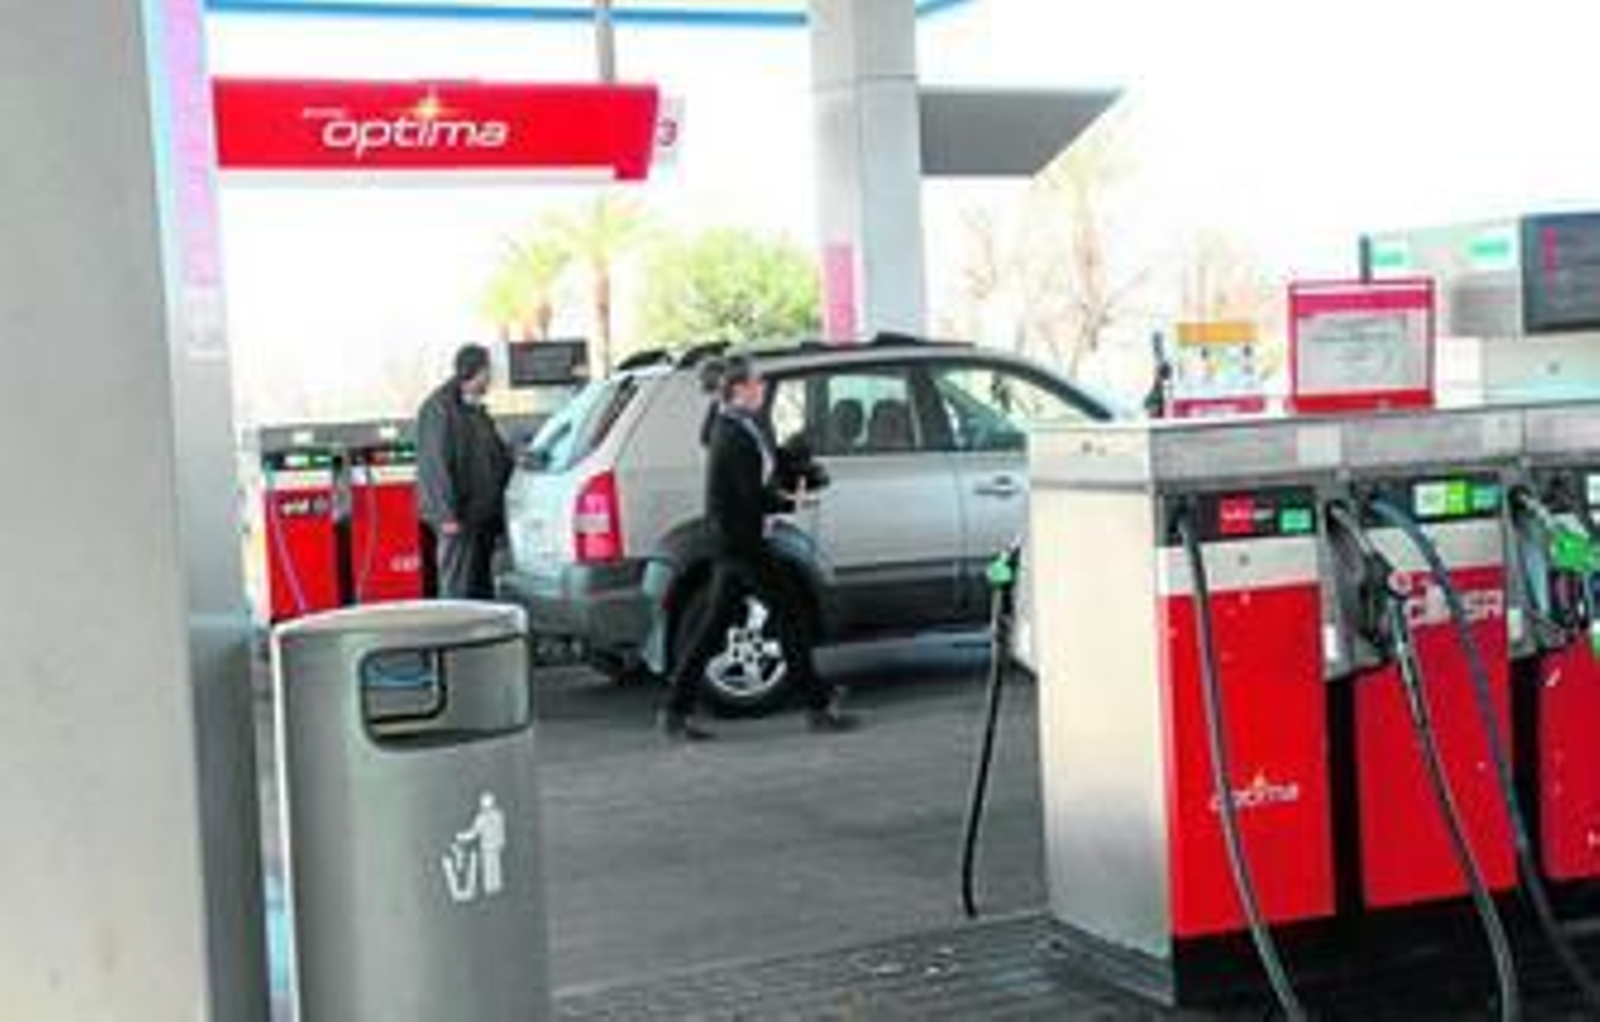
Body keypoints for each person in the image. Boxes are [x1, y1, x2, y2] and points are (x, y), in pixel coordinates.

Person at [661, 355, 857, 740]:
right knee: (791, 618)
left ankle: (674, 712)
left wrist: (795, 474)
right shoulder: (731, 435)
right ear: (739, 390)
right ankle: (818, 706)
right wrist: (792, 504)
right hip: (743, 544)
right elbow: (748, 496)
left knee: (713, 628)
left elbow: (764, 469)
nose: (763, 388)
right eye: (757, 383)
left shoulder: (740, 425)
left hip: (737, 544)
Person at [417, 344, 512, 600]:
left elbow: (495, 454)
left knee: (480, 586)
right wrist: (446, 515)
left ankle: (480, 636)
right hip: (457, 517)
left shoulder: (475, 409)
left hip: (481, 516)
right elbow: (434, 463)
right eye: (488, 372)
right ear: (476, 371)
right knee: (456, 586)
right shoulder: (439, 408)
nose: (491, 378)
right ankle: (452, 635)